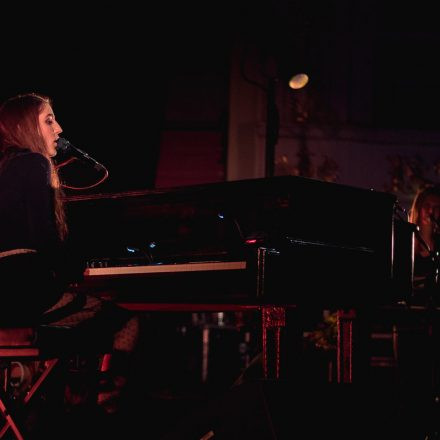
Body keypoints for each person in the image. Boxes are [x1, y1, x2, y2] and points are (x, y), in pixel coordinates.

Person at [0, 92, 140, 417]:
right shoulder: (32, 162)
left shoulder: (5, 168)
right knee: (125, 323)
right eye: (49, 120)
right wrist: (78, 273)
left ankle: (69, 406)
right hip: (20, 293)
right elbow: (44, 242)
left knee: (83, 328)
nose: (59, 128)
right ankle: (99, 414)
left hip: (9, 295)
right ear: (25, 126)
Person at [409, 184, 440, 297]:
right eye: (427, 205)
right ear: (419, 207)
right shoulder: (406, 243)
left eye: (436, 206)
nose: (431, 211)